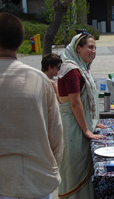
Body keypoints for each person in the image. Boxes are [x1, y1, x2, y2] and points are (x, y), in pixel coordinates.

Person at [0, 13, 63, 199]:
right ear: (20, 40)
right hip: (37, 177)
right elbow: (56, 133)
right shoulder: (39, 79)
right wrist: (52, 166)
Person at [57, 33, 106, 199]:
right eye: (90, 47)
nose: (93, 51)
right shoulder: (72, 70)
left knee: (80, 168)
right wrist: (87, 129)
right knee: (75, 169)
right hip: (72, 127)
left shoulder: (81, 68)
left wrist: (92, 122)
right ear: (78, 48)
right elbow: (75, 103)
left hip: (77, 122)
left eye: (95, 48)